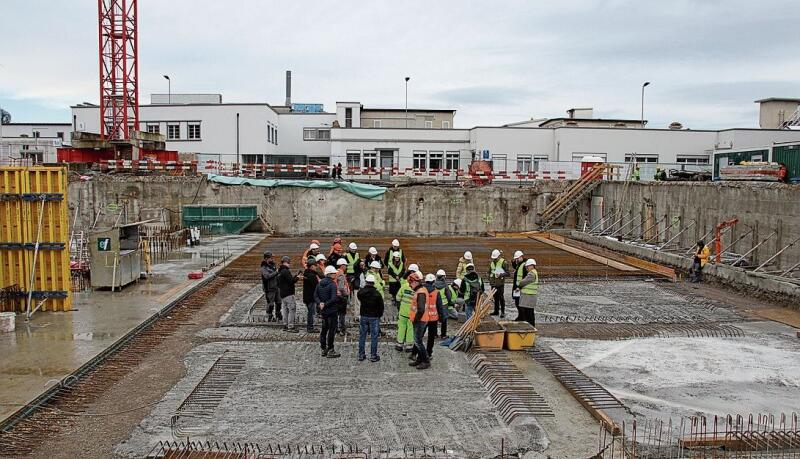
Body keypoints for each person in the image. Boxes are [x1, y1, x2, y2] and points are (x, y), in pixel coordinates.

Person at [408, 273, 441, 370]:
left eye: (410, 283)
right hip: (421, 319)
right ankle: (420, 359)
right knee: (418, 341)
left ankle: (426, 361)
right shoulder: (420, 290)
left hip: (420, 320)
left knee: (418, 341)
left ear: (415, 282)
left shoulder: (421, 292)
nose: (410, 285)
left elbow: (421, 309)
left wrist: (416, 319)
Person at [315, 265, 342, 358]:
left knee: (324, 329)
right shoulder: (332, 284)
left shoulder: (319, 284)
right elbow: (334, 298)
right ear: (330, 274)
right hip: (332, 310)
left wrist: (320, 303)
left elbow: (315, 296)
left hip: (324, 311)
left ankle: (323, 348)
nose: (335, 274)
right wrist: (325, 304)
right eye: (334, 273)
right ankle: (331, 349)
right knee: (332, 330)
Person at [357, 274, 384, 362]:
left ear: (366, 282)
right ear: (373, 283)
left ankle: (361, 354)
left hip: (364, 316)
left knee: (362, 336)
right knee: (374, 336)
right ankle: (373, 355)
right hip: (374, 317)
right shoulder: (377, 294)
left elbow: (359, 297)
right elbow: (381, 307)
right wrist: (379, 315)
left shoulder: (361, 293)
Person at [394, 264, 419, 352]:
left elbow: (397, 298)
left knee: (401, 327)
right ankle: (409, 346)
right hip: (412, 313)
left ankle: (399, 344)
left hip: (403, 312)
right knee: (410, 328)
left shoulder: (404, 286)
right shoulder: (417, 289)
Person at [277, 256, 302, 333]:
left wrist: (295, 276)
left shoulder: (280, 271)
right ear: (286, 262)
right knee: (292, 309)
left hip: (282, 294)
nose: (289, 264)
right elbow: (291, 281)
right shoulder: (285, 271)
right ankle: (291, 326)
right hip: (288, 293)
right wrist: (297, 277)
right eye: (289, 263)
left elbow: (285, 281)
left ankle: (285, 325)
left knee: (285, 310)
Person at [433, 269, 457, 339]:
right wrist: (452, 303)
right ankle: (443, 335)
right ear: (444, 276)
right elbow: (449, 297)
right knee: (444, 320)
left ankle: (434, 334)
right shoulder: (445, 286)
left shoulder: (434, 285)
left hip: (435, 304)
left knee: (435, 319)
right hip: (444, 305)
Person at [517, 259, 539, 326]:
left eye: (527, 267)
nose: (526, 268)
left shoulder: (531, 274)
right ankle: (531, 327)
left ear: (532, 266)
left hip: (529, 297)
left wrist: (520, 283)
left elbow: (523, 282)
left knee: (529, 314)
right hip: (529, 297)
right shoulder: (533, 273)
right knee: (529, 313)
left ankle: (531, 327)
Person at [260, 251, 281, 322]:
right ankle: (269, 315)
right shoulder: (263, 267)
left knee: (279, 302)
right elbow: (267, 276)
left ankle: (278, 314)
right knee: (271, 304)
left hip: (276, 287)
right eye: (271, 258)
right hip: (269, 288)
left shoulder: (273, 265)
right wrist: (276, 272)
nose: (272, 259)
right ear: (266, 258)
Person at [488, 249, 509, 317]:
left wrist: (500, 274)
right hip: (493, 283)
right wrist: (489, 279)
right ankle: (496, 311)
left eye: (495, 258)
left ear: (498, 256)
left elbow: (508, 273)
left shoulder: (504, 262)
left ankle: (503, 312)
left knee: (501, 298)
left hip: (500, 284)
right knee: (495, 298)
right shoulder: (492, 263)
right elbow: (489, 272)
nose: (494, 259)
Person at [303, 256, 320, 333]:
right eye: (315, 265)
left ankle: (310, 326)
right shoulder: (311, 275)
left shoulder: (307, 273)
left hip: (307, 297)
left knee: (311, 312)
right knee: (311, 313)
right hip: (311, 297)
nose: (316, 267)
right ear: (312, 266)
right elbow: (316, 286)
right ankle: (310, 327)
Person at [333, 258, 351, 334]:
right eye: (345, 265)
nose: (346, 267)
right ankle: (342, 329)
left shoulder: (336, 272)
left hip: (336, 295)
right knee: (342, 314)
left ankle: (336, 328)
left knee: (337, 313)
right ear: (342, 265)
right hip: (341, 296)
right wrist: (346, 294)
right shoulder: (341, 274)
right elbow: (341, 287)